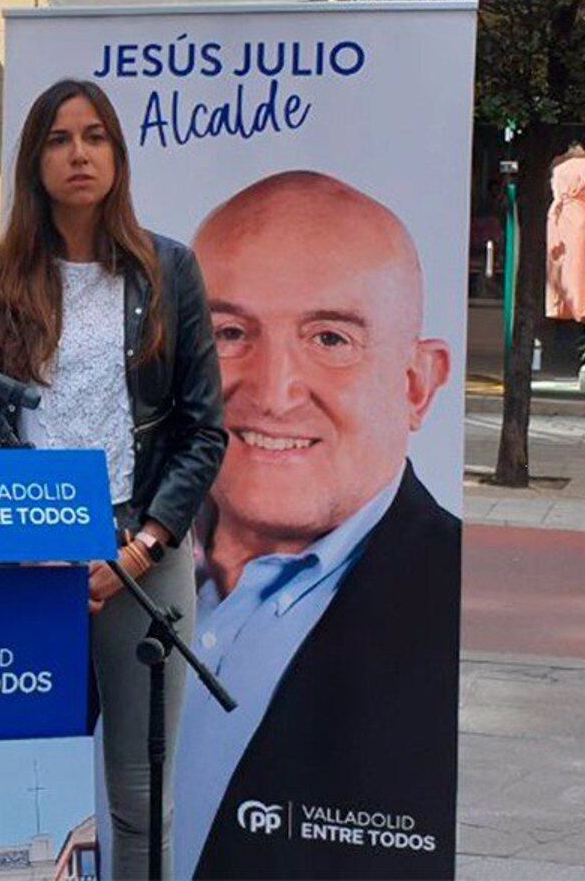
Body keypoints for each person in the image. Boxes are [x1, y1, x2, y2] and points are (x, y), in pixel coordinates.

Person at [0, 78, 227, 881]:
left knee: (142, 797)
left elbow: (201, 429)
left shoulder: (168, 270)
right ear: (34, 161)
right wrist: (26, 541)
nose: (79, 154)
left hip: (142, 552)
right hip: (31, 557)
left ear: (117, 155)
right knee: (27, 787)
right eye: (59, 139)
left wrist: (138, 550)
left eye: (95, 136)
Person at [176, 170, 460, 880]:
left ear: (416, 384)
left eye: (330, 339)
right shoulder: (110, 560)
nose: (273, 394)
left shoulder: (446, 601)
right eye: (230, 333)